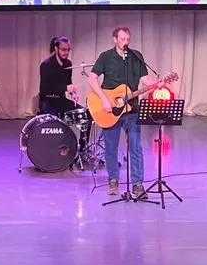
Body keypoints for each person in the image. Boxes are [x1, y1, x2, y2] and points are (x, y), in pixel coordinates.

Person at [88, 26, 160, 198]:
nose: (125, 42)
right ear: (115, 40)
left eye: (128, 39)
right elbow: (92, 78)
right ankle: (113, 181)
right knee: (111, 148)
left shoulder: (136, 56)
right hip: (110, 109)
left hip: (132, 108)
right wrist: (104, 99)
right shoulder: (106, 57)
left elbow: (144, 78)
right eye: (122, 39)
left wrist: (157, 83)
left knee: (135, 148)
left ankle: (137, 185)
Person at [39, 37, 80, 116]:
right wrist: (65, 88)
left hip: (61, 100)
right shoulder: (46, 65)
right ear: (56, 49)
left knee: (84, 113)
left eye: (68, 50)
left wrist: (73, 93)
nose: (66, 52)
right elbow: (45, 89)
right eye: (63, 50)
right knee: (56, 120)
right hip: (48, 102)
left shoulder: (68, 63)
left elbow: (68, 82)